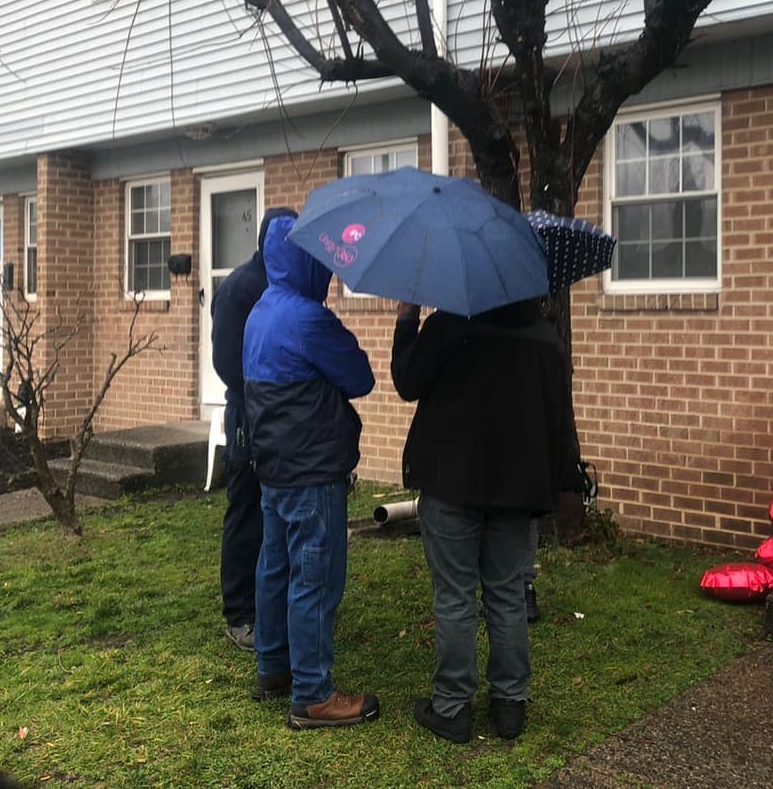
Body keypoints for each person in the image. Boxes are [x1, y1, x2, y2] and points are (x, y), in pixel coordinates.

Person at [392, 298, 576, 743]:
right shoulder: (545, 337)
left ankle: (453, 708)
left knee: (455, 598)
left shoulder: (447, 327)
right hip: (517, 490)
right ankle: (510, 705)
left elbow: (407, 381)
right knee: (508, 594)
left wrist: (406, 320)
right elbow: (560, 415)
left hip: (451, 483)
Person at [242, 214, 379, 730]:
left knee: (274, 566)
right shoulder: (307, 319)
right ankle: (314, 694)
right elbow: (359, 376)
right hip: (312, 469)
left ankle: (272, 667)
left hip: (274, 468)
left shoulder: (261, 312)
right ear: (304, 260)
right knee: (315, 578)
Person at [211, 206, 298, 653]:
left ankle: (271, 604)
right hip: (248, 417)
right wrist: (260, 394)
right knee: (245, 510)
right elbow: (226, 363)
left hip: (278, 419)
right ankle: (240, 612)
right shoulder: (240, 288)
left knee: (274, 513)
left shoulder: (284, 286)